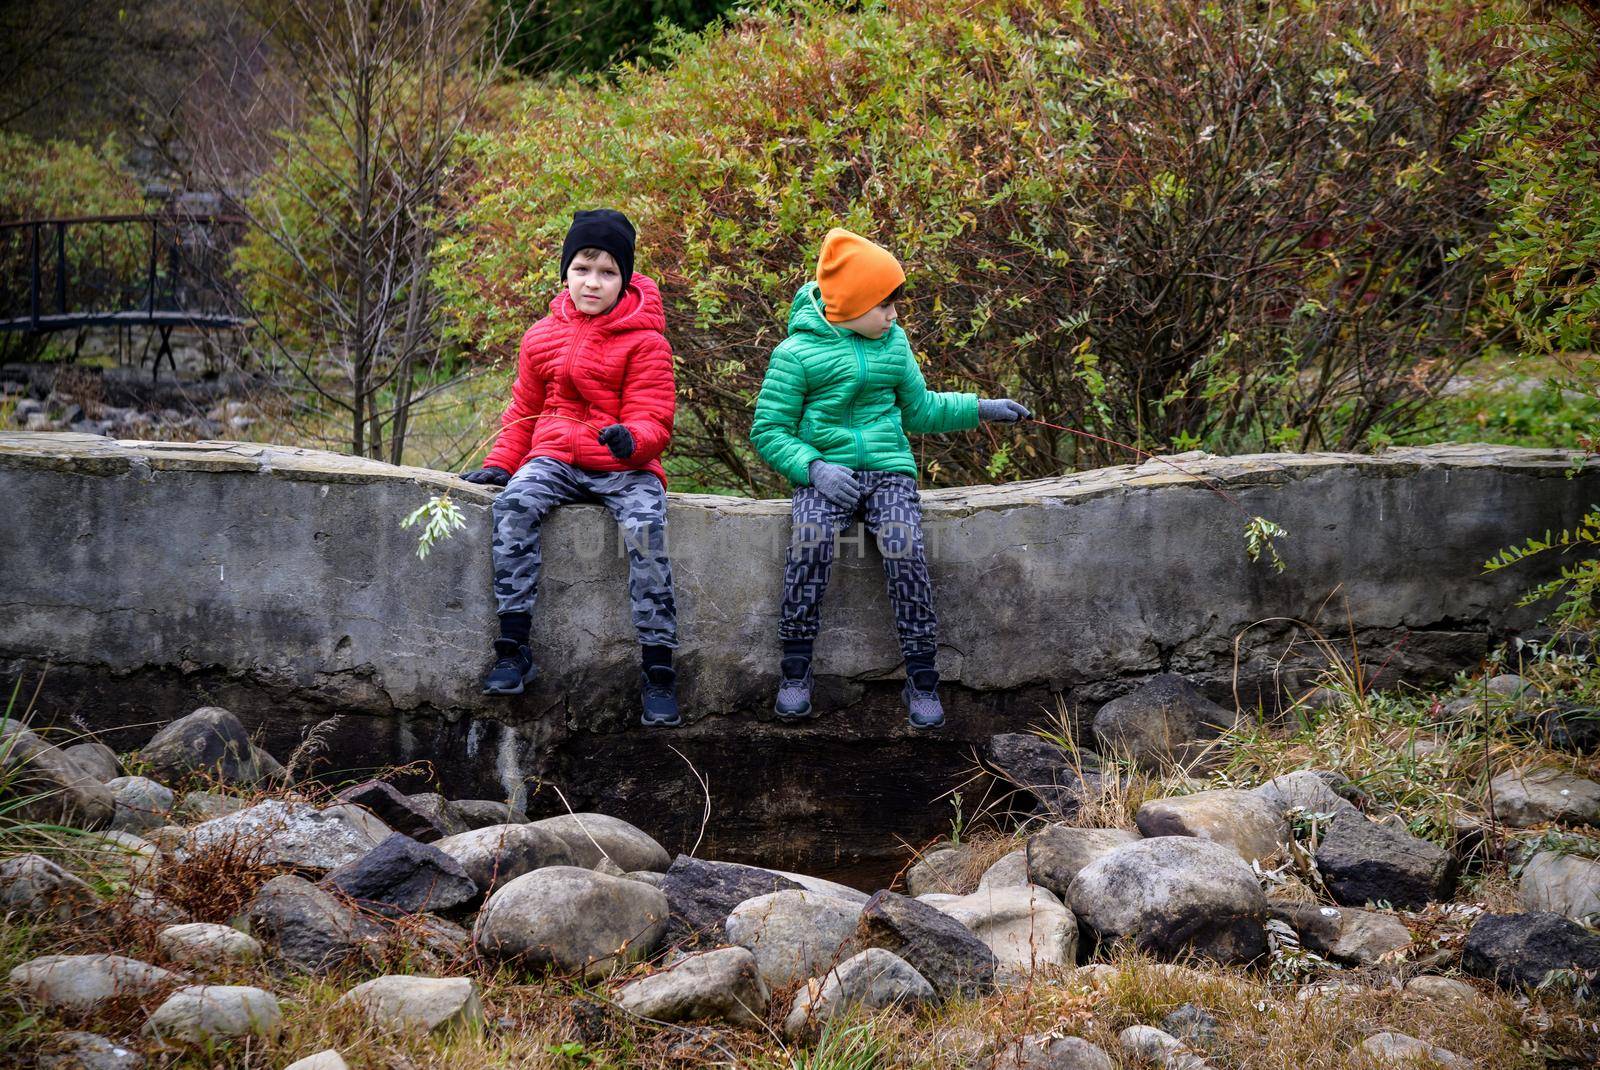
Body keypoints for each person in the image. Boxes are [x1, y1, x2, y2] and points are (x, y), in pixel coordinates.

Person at [749, 227, 1030, 728]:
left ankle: (922, 678)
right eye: (885, 304)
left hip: (888, 473)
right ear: (852, 303)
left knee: (904, 549)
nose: (894, 315)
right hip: (824, 473)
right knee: (810, 544)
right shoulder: (795, 355)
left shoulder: (893, 344)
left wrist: (982, 407)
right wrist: (813, 467)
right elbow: (769, 430)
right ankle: (795, 671)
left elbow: (920, 410)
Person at [461, 208, 681, 727]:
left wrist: (632, 439)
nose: (593, 282)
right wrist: (501, 463)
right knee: (514, 504)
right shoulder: (541, 335)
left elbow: (655, 418)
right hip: (555, 458)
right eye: (583, 268)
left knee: (647, 532)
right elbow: (523, 411)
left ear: (625, 278)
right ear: (565, 272)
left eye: (607, 272)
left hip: (625, 466)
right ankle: (513, 649)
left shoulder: (647, 341)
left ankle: (659, 672)